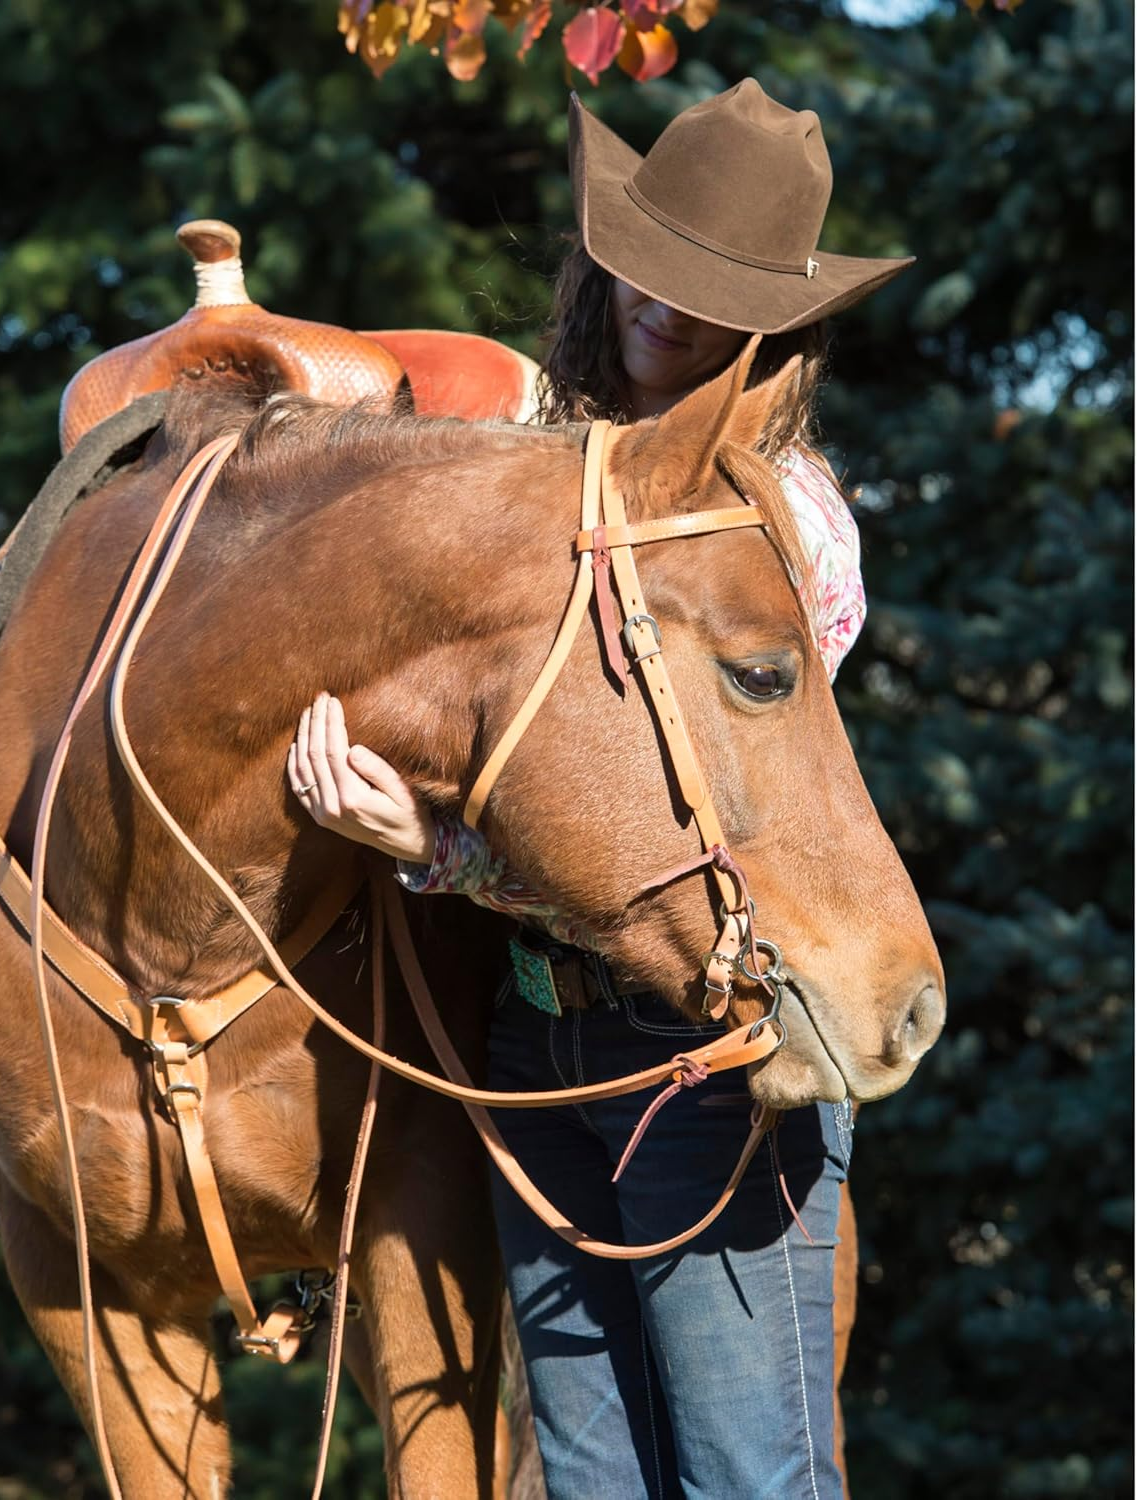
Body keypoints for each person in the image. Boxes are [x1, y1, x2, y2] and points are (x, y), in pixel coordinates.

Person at [287, 80, 909, 1499]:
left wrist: (432, 850)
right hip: (529, 1039)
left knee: (744, 1480)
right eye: (652, 268)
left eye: (713, 297)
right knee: (588, 1479)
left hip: (701, 1042)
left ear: (775, 331)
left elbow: (680, 820)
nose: (665, 312)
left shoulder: (770, 517)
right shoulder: (537, 468)